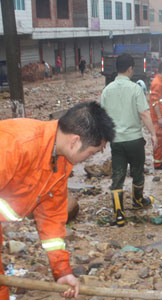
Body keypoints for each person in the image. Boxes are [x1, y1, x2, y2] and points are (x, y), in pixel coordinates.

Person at [0, 102, 115, 299]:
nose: (89, 158)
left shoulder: (59, 161)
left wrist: (62, 271)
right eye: (92, 152)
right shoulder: (14, 144)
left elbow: (51, 218)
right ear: (75, 141)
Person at [101, 53, 157, 227]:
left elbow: (102, 118)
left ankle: (119, 214)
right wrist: (153, 134)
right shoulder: (135, 89)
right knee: (137, 172)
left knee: (117, 176)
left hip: (116, 141)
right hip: (134, 140)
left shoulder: (107, 90)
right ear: (130, 68)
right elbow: (144, 114)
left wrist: (103, 139)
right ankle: (138, 201)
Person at [149, 61, 162, 170]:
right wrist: (160, 118)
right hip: (158, 118)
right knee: (159, 139)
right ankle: (157, 163)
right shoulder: (157, 83)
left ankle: (161, 160)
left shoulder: (161, 82)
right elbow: (155, 102)